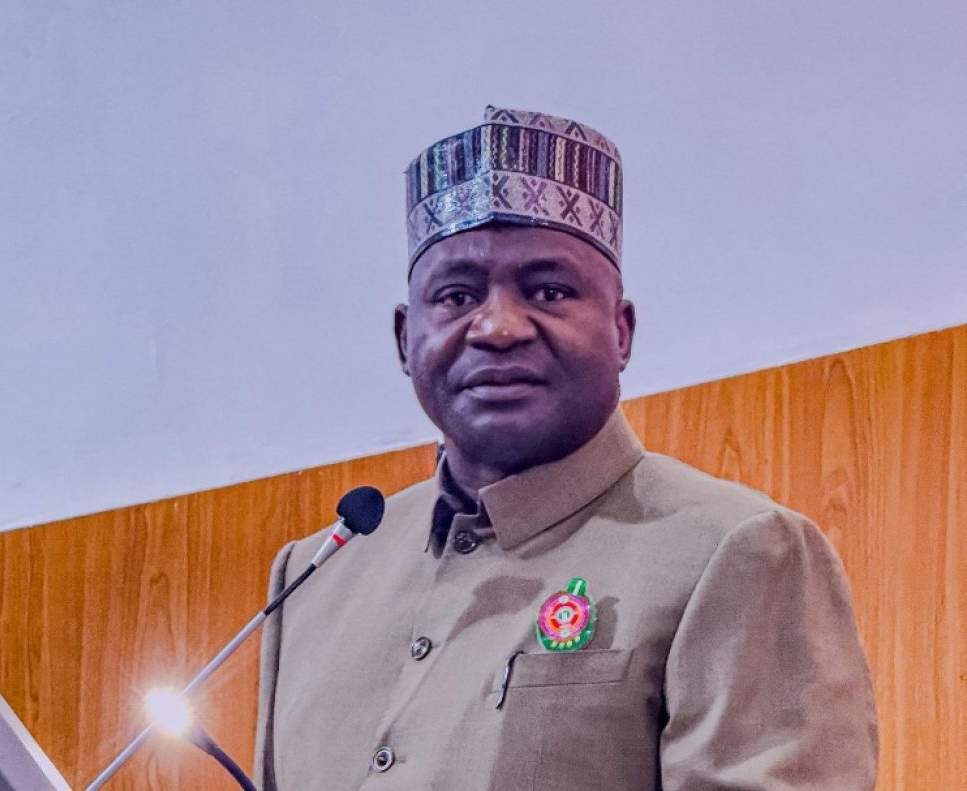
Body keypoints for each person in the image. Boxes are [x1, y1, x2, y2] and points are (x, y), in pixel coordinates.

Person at [254, 106, 877, 790]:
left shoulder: (736, 550)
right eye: (456, 296)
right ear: (405, 339)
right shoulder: (316, 574)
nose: (496, 327)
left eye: (549, 290)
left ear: (621, 331)